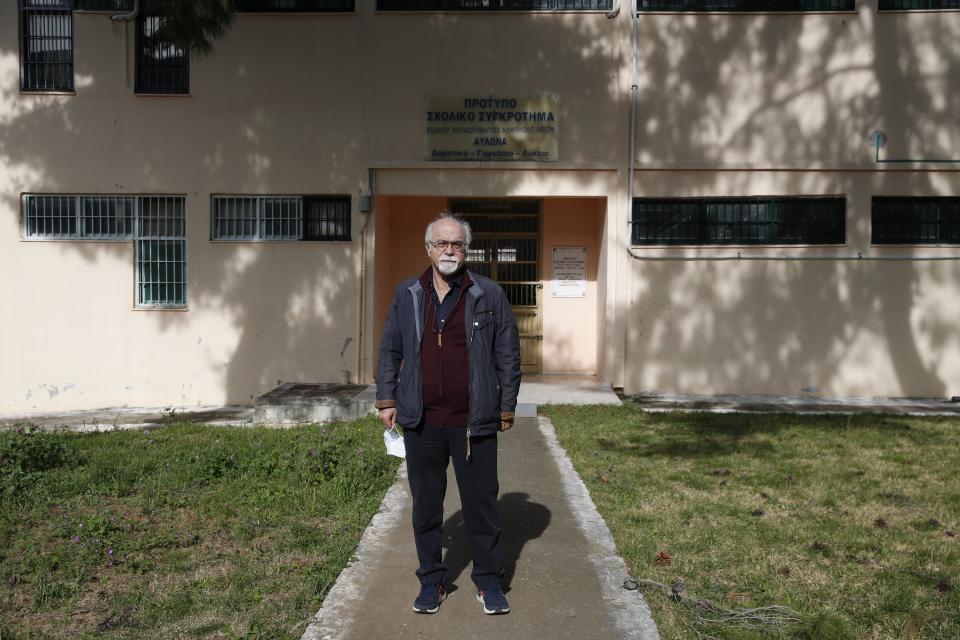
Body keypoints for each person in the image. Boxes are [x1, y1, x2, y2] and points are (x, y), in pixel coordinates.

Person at [375, 211, 521, 616]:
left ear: (466, 249)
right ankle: (431, 582)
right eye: (442, 243)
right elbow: (390, 349)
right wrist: (387, 399)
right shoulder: (408, 294)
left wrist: (506, 405)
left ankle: (489, 582)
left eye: (457, 243)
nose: (449, 250)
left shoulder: (487, 293)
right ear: (428, 249)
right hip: (422, 422)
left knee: (481, 506)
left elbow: (508, 352)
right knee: (426, 507)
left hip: (474, 424)